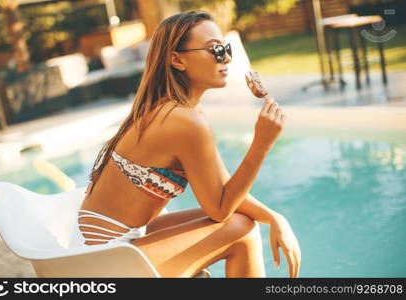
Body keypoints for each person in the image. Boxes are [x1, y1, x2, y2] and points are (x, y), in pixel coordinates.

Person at [76, 10, 301, 278]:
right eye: (214, 50)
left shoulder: (176, 112)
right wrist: (261, 144)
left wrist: (275, 217)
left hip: (106, 243)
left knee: (241, 223)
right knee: (242, 231)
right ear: (176, 60)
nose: (226, 58)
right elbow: (219, 209)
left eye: (225, 48)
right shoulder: (183, 121)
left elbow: (222, 187)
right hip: (104, 259)